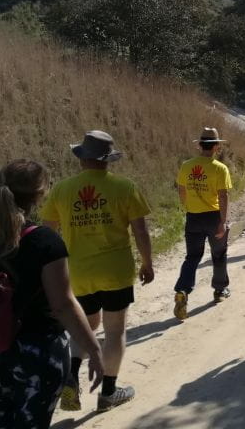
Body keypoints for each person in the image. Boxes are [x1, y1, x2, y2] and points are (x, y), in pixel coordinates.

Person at [41, 131, 154, 413]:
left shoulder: (62, 190)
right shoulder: (125, 187)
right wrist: (147, 263)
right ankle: (108, 393)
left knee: (84, 326)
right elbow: (140, 230)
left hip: (78, 272)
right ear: (108, 160)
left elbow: (47, 233)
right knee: (114, 331)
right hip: (116, 271)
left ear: (82, 158)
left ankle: (71, 377)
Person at [0, 160, 104, 428]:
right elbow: (63, 305)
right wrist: (93, 348)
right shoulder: (44, 241)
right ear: (40, 194)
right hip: (36, 353)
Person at [173, 127, 233, 320]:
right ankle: (219, 290)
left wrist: (188, 205)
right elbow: (223, 196)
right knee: (219, 253)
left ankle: (182, 290)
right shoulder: (220, 168)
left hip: (193, 216)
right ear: (216, 147)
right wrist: (223, 221)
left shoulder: (186, 166)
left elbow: (182, 190)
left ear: (199, 145)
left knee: (192, 257)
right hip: (213, 217)